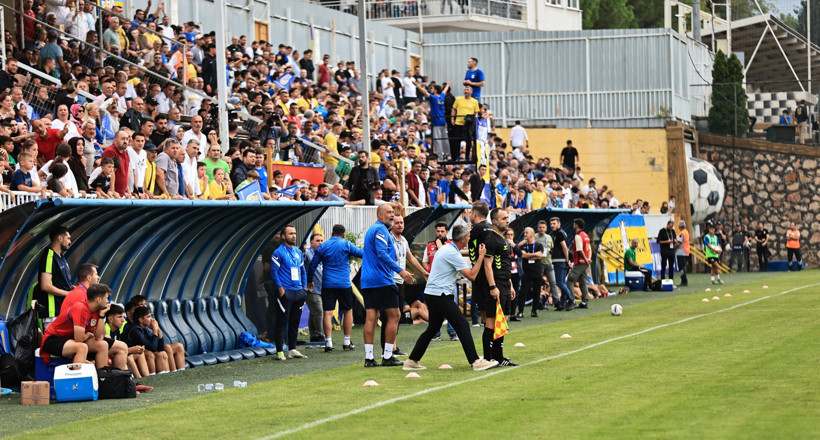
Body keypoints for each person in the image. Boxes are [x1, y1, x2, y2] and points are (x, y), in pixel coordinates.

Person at [402, 224, 498, 372]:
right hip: (440, 295)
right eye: (468, 237)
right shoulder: (452, 253)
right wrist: (480, 257)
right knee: (463, 325)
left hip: (434, 294)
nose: (469, 239)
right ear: (463, 238)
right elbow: (472, 275)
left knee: (433, 328)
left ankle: (412, 360)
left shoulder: (448, 248)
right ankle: (475, 361)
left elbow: (462, 253)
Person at [360, 204, 414, 367]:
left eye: (393, 212)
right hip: (381, 280)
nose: (392, 215)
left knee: (371, 317)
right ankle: (388, 356)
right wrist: (401, 271)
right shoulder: (381, 230)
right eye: (388, 212)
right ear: (379, 216)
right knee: (395, 315)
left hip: (367, 281)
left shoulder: (372, 229)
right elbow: (382, 253)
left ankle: (369, 359)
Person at [58, 264, 128, 370]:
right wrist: (90, 334)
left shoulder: (83, 293)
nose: (98, 277)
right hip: (72, 338)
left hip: (80, 335)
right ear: (89, 278)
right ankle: (110, 380)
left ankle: (121, 380)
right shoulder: (84, 297)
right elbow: (80, 334)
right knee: (117, 347)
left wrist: (100, 317)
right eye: (96, 274)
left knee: (118, 346)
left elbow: (97, 334)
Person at [307, 224, 363, 352]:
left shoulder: (323, 246)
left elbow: (312, 265)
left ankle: (328, 343)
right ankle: (347, 342)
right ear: (343, 235)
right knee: (348, 311)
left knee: (327, 313)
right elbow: (362, 254)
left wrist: (310, 280)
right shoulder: (346, 244)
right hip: (344, 284)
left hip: (327, 284)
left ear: (332, 234)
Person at [40, 283, 112, 365]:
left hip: (69, 339)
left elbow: (99, 337)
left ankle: (102, 375)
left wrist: (101, 316)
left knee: (102, 345)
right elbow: (79, 338)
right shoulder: (81, 308)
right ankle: (76, 376)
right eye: (106, 298)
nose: (107, 301)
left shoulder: (96, 311)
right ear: (99, 299)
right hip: (52, 339)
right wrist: (88, 334)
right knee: (82, 347)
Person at [481, 208, 517, 367]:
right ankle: (489, 359)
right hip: (495, 285)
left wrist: (510, 285)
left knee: (503, 320)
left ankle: (499, 356)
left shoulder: (503, 240)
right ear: (494, 221)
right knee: (491, 321)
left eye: (507, 218)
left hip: (505, 284)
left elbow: (505, 266)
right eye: (504, 218)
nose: (507, 220)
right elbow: (487, 265)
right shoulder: (491, 240)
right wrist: (493, 286)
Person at [270, 225, 309, 361]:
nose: (294, 235)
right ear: (283, 236)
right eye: (290, 233)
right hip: (286, 292)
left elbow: (302, 271)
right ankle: (280, 351)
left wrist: (303, 288)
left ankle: (292, 349)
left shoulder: (298, 252)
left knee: (294, 322)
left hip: (299, 292)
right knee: (282, 322)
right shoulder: (278, 252)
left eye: (295, 233)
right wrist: (281, 290)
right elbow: (274, 272)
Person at [32, 226, 74, 328]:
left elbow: (61, 283)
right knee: (55, 343)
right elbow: (45, 286)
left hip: (63, 310)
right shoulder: (49, 256)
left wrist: (73, 288)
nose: (70, 242)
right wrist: (68, 293)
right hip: (52, 312)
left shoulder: (62, 257)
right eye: (68, 238)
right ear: (60, 238)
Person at [467, 201, 493, 326]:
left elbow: (472, 249)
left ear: (475, 214)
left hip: (481, 271)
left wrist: (474, 265)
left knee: (481, 305)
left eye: (471, 213)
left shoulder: (475, 229)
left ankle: (485, 327)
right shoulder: (491, 227)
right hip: (492, 269)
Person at [127, 306, 171, 373]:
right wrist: (155, 330)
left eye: (151, 316)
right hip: (131, 356)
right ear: (141, 320)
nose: (151, 319)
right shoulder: (135, 330)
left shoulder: (145, 328)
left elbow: (160, 348)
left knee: (163, 353)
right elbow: (153, 347)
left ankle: (168, 376)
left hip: (140, 355)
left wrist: (158, 330)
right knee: (150, 354)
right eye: (148, 317)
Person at [565, 218, 592, 308]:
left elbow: (579, 249)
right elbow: (590, 249)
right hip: (584, 262)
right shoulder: (585, 235)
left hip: (580, 262)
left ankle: (572, 301)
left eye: (574, 224)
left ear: (576, 225)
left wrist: (585, 259)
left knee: (570, 280)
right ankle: (584, 302)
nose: (573, 225)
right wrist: (588, 259)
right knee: (583, 281)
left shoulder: (578, 236)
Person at [550, 217, 575, 311]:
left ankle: (572, 300)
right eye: (551, 224)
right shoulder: (560, 233)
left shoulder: (559, 233)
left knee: (560, 283)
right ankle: (562, 303)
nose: (552, 225)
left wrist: (567, 260)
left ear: (559, 224)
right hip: (561, 260)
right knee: (563, 283)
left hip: (560, 261)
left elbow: (565, 248)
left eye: (554, 223)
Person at [518, 227, 544, 318]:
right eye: (524, 232)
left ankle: (534, 311)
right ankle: (520, 311)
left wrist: (526, 255)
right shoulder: (523, 245)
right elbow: (520, 254)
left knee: (537, 292)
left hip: (537, 271)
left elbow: (539, 256)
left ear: (532, 234)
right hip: (526, 272)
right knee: (523, 291)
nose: (525, 234)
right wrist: (533, 255)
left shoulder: (539, 245)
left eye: (527, 232)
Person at [676, 220, 690, 287]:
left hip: (681, 252)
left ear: (679, 226)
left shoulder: (681, 233)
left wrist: (674, 249)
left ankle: (684, 281)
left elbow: (678, 243)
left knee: (681, 268)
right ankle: (685, 281)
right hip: (686, 252)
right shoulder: (686, 232)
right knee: (683, 267)